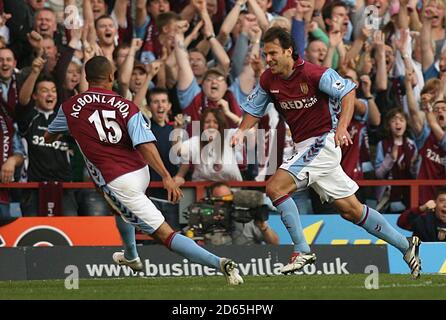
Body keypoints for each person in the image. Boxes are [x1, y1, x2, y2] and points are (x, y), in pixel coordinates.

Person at [231, 27, 421, 278]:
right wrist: (241, 131)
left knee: (275, 188)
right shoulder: (268, 79)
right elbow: (254, 110)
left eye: (273, 53)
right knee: (351, 210)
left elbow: (348, 92)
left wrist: (341, 127)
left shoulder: (312, 73)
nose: (269, 59)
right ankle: (406, 245)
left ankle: (301, 250)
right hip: (305, 148)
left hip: (322, 143)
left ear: (289, 51)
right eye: (266, 54)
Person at [44, 56, 243, 285]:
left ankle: (220, 263)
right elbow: (145, 144)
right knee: (119, 210)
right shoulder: (127, 106)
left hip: (117, 181)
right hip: (140, 171)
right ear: (111, 77)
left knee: (164, 234)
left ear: (86, 78)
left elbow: (49, 135)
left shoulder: (70, 108)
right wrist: (165, 176)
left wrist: (73, 130)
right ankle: (131, 256)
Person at [210, 182, 279, 245]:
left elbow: (275, 243)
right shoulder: (207, 220)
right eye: (219, 199)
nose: (224, 202)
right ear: (212, 200)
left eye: (227, 197)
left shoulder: (247, 216)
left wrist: (264, 227)